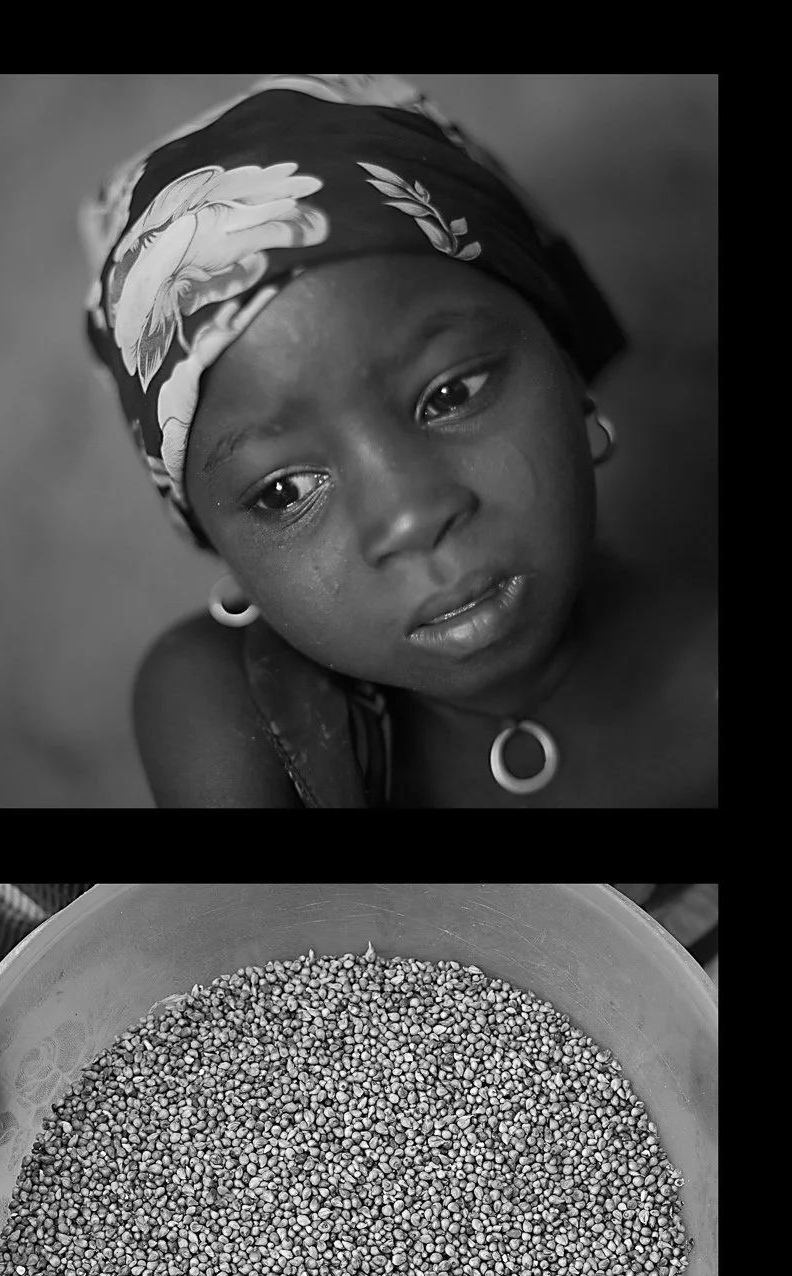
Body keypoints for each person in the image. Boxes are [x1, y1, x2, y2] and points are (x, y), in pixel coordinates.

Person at [82, 75, 716, 807]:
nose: (412, 517)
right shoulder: (232, 706)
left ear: (568, 372)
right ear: (222, 549)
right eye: (283, 491)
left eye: (450, 394)